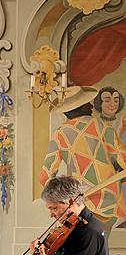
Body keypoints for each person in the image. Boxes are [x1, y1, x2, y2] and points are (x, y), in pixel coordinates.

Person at [39, 86, 126, 233]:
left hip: (80, 201)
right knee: (100, 246)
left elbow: (44, 177)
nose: (92, 106)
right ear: (82, 106)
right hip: (109, 200)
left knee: (87, 246)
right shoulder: (104, 127)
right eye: (87, 103)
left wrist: (61, 200)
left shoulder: (59, 135)